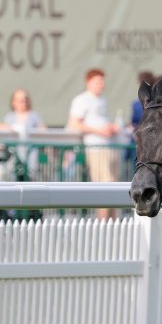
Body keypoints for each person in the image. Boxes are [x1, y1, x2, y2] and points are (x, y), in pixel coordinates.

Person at [67, 68, 120, 219]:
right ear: (88, 82)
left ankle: (113, 222)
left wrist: (110, 128)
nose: (101, 84)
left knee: (114, 185)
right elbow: (74, 124)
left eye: (102, 81)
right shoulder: (82, 99)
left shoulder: (102, 99)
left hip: (110, 147)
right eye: (97, 81)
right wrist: (99, 131)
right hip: (96, 148)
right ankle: (103, 223)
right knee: (105, 185)